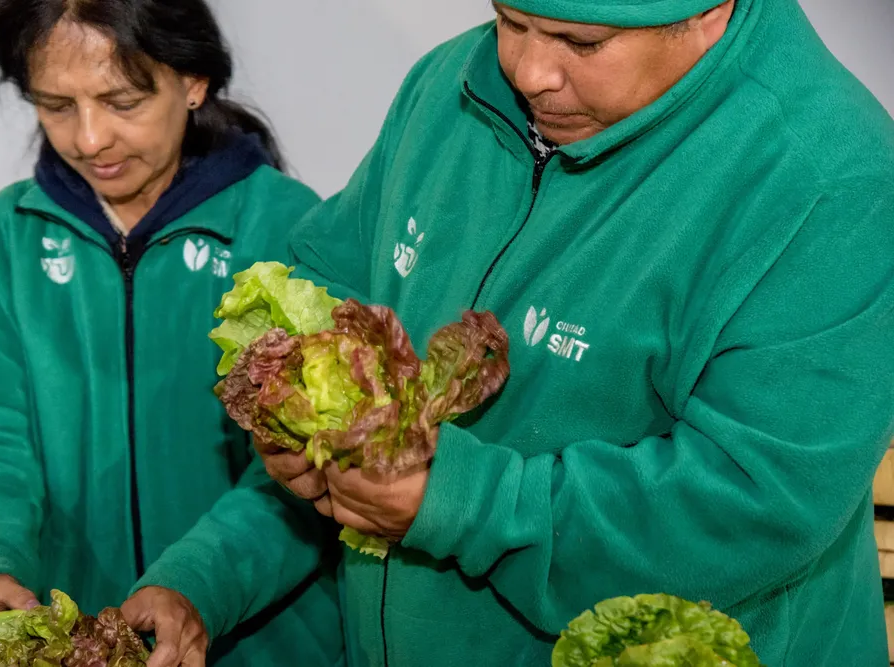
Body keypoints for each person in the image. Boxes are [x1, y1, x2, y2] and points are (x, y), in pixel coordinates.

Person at [258, 0, 894, 665]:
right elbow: (329, 268)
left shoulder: (831, 184)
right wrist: (298, 406)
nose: (528, 72)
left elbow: (753, 502)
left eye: (581, 42)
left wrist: (461, 503)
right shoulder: (447, 83)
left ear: (711, 14)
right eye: (511, 20)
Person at [0, 1, 343, 666]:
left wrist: (197, 584)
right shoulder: (10, 236)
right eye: (56, 105)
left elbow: (305, 471)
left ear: (193, 81)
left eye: (122, 102)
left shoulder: (283, 227)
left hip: (262, 642)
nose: (90, 139)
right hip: (75, 642)